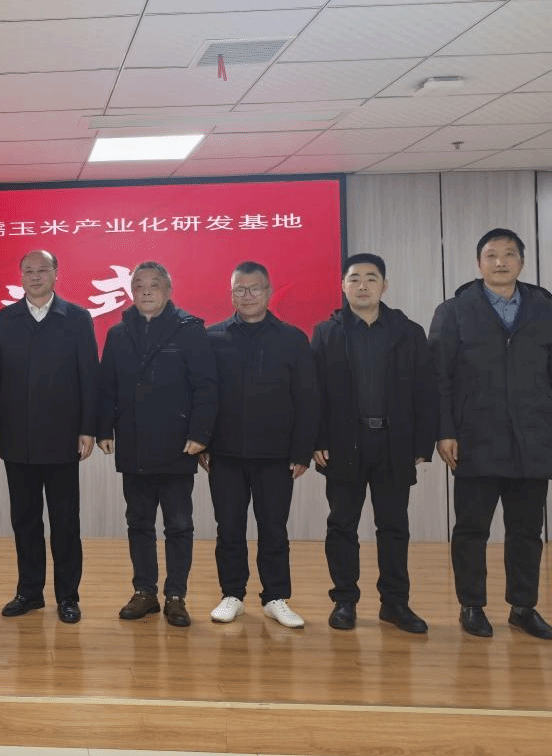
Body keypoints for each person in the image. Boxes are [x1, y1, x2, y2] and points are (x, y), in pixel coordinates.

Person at [429, 228, 552, 640]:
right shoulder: (455, 310)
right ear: (478, 263)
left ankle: (523, 606)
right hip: (474, 438)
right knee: (471, 529)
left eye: (509, 254)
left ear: (522, 261)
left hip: (532, 438)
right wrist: (444, 430)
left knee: (526, 531)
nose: (501, 262)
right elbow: (439, 377)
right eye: (492, 254)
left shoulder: (545, 308)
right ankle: (472, 605)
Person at [311, 253, 436, 634]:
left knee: (394, 526)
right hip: (343, 443)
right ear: (343, 285)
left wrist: (422, 443)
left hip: (394, 443)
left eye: (371, 278)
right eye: (354, 278)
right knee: (342, 525)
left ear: (384, 285)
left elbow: (425, 389)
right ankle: (344, 601)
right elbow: (314, 392)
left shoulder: (408, 332)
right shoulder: (326, 332)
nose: (362, 285)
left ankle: (395, 603)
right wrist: (317, 439)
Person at [97, 261, 217, 628]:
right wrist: (104, 430)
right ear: (131, 291)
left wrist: (200, 434)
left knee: (178, 525)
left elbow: (206, 386)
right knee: (138, 522)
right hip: (133, 443)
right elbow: (107, 387)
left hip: (178, 445)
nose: (146, 290)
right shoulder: (118, 333)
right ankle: (144, 592)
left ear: (168, 290)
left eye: (154, 284)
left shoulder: (189, 330)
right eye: (139, 285)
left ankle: (176, 596)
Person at [202, 262, 318, 629]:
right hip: (225, 454)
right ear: (231, 293)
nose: (247, 295)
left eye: (254, 288)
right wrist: (202, 442)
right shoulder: (212, 337)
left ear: (268, 292)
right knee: (228, 528)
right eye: (240, 289)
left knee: (274, 529)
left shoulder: (292, 339)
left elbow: (307, 398)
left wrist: (302, 451)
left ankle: (275, 597)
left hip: (276, 455)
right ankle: (232, 594)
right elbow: (203, 395)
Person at [0, 250, 99, 624]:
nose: (35, 276)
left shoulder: (77, 318)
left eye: (42, 270)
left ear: (56, 273)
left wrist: (88, 428)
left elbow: (89, 376)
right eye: (28, 271)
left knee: (65, 522)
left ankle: (68, 596)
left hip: (63, 436)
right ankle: (29, 592)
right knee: (25, 520)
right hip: (16, 437)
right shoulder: (5, 319)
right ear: (20, 276)